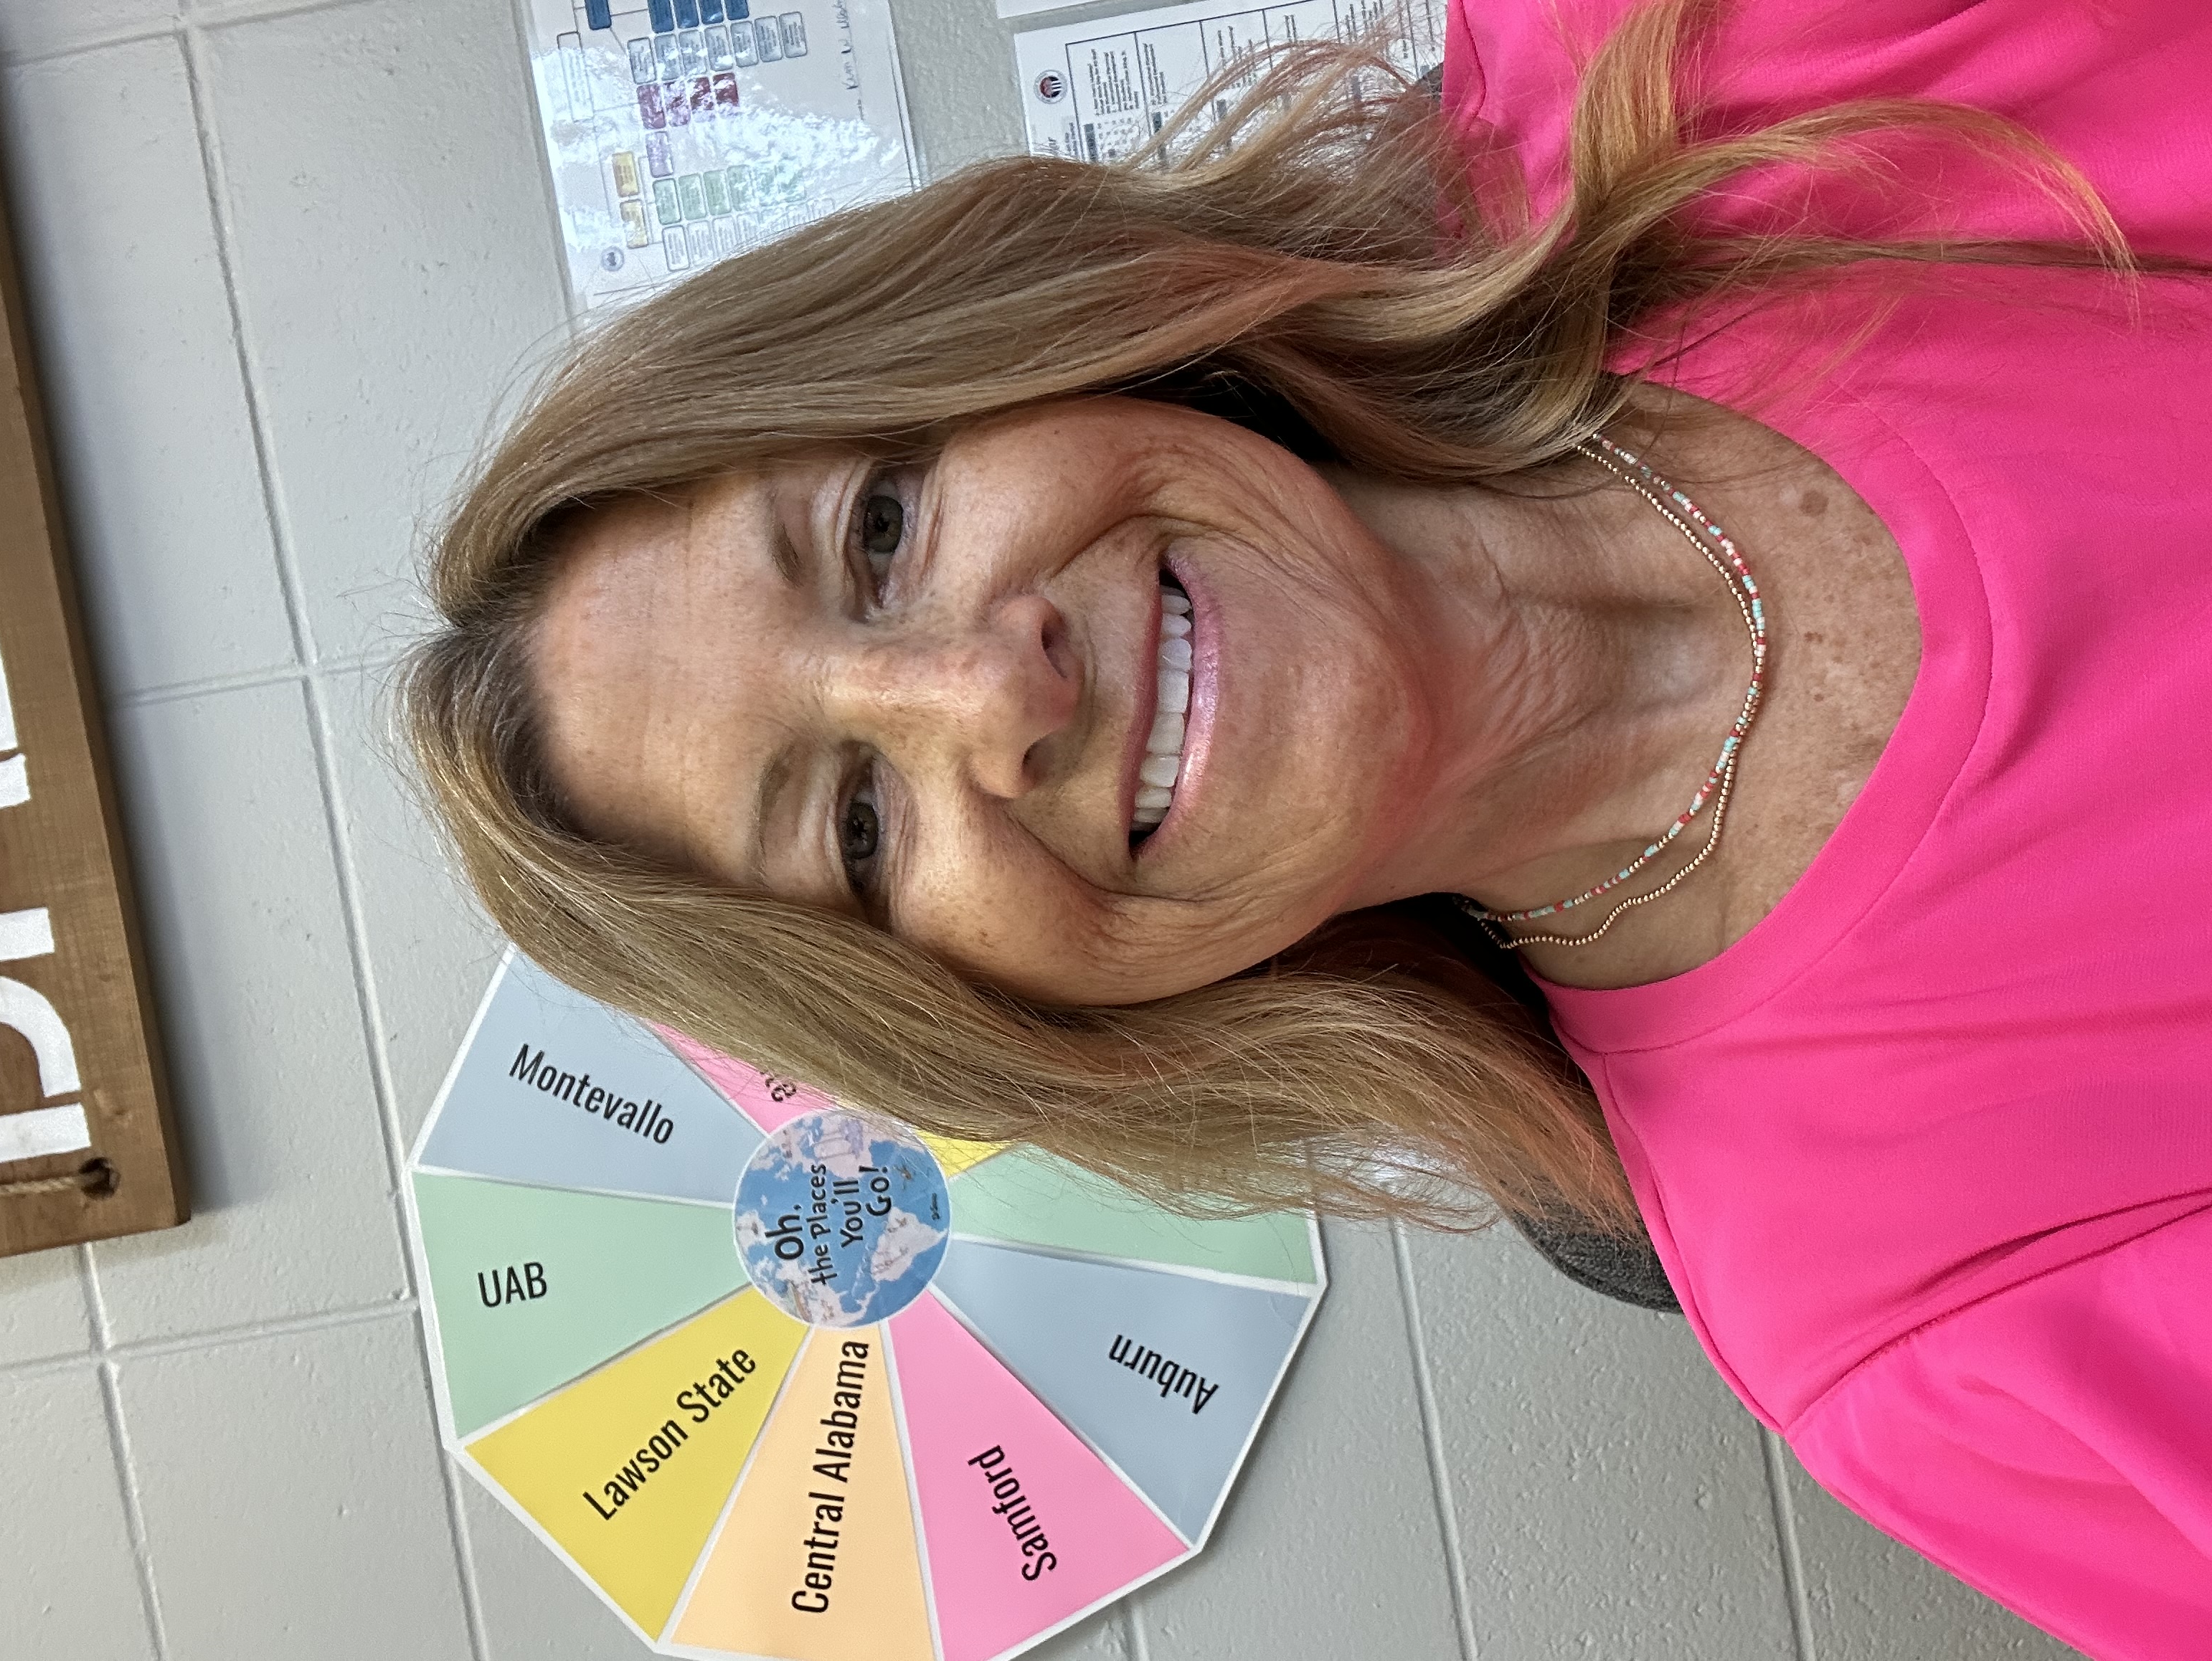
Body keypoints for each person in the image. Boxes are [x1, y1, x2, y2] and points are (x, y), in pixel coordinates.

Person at [402, 0, 2212, 1651]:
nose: (988, 692)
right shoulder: (1910, 1318)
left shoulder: (1678, 58)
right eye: (860, 830)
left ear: (1008, 353)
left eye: (878, 532)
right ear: (1006, 1008)